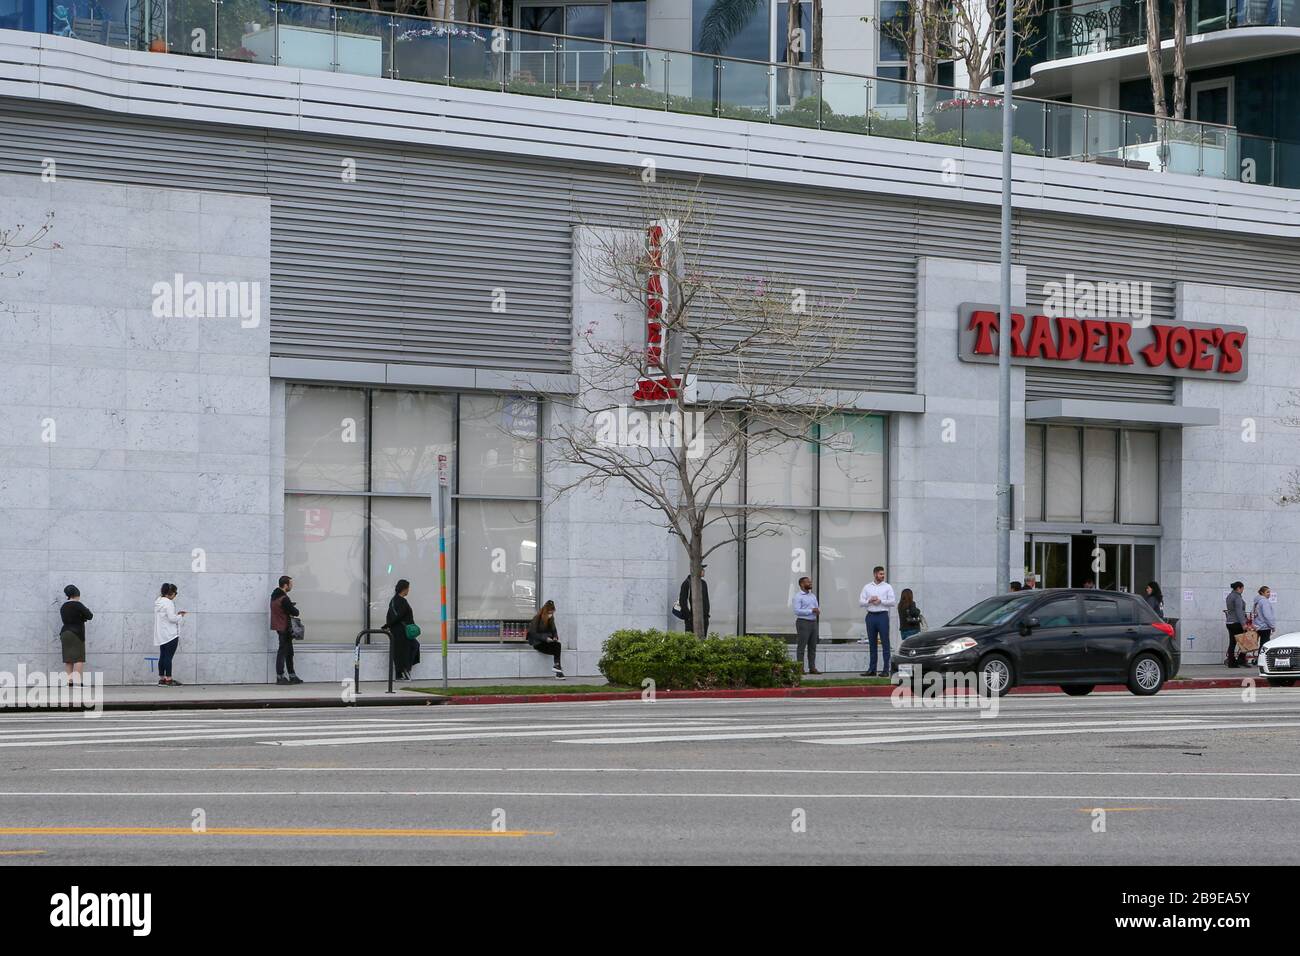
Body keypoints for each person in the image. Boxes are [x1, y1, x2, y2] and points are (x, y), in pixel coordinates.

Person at [858, 565, 896, 677]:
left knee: (885, 642)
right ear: (875, 574)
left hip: (882, 616)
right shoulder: (867, 587)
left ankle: (885, 669)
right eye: (880, 574)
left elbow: (893, 602)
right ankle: (872, 669)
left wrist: (881, 601)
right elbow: (861, 602)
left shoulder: (887, 587)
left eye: (883, 574)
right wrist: (869, 600)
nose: (883, 576)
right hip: (870, 616)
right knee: (872, 643)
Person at [153, 583, 188, 686]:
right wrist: (180, 616)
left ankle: (162, 679)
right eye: (175, 593)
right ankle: (169, 679)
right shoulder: (168, 603)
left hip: (161, 635)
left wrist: (175, 615)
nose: (175, 595)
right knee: (168, 657)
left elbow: (166, 617)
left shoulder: (158, 601)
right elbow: (172, 619)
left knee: (163, 656)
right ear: (171, 593)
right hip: (170, 635)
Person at [270, 575, 302, 685]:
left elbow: (282, 609)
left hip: (280, 627)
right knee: (283, 652)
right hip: (284, 627)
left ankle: (292, 676)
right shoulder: (284, 598)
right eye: (290, 584)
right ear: (285, 585)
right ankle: (280, 677)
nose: (291, 586)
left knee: (289, 653)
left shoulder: (275, 596)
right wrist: (294, 608)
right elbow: (295, 612)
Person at [58, 585, 92, 685]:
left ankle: (70, 682)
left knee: (68, 659)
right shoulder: (78, 605)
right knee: (78, 658)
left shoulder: (63, 606)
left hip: (64, 633)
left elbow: (68, 619)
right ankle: (78, 682)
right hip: (76, 633)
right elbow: (90, 616)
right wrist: (83, 617)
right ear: (77, 594)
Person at [385, 579, 418, 681]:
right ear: (404, 589)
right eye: (408, 588)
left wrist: (388, 625)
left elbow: (390, 615)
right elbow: (399, 616)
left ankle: (401, 673)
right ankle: (405, 670)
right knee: (410, 648)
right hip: (402, 631)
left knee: (400, 651)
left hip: (397, 631)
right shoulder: (402, 601)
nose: (408, 590)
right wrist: (387, 625)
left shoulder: (393, 600)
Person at [526, 600, 565, 679]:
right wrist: (545, 638)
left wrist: (555, 637)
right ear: (546, 611)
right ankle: (558, 670)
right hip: (538, 643)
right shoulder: (537, 618)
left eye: (552, 612)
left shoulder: (550, 619)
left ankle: (557, 668)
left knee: (558, 645)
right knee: (556, 649)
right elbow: (533, 633)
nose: (551, 614)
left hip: (547, 642)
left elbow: (554, 630)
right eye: (550, 612)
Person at [792, 576, 820, 675]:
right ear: (802, 584)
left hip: (813, 622)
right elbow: (797, 611)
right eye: (808, 582)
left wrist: (817, 611)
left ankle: (812, 667)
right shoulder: (798, 596)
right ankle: (800, 668)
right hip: (803, 622)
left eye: (810, 582)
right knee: (802, 646)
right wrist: (811, 610)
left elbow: (816, 606)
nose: (810, 583)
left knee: (812, 647)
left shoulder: (812, 595)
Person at [679, 566, 710, 636]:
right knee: (691, 641)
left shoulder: (703, 583)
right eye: (702, 569)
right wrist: (689, 617)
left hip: (704, 619)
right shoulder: (687, 583)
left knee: (702, 640)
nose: (704, 571)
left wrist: (706, 616)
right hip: (691, 619)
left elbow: (706, 600)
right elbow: (683, 601)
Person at [1225, 581, 1247, 668]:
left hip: (1229, 622)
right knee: (1244, 642)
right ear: (1239, 588)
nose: (1243, 590)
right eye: (1242, 588)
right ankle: (1241, 659)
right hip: (1237, 622)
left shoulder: (1229, 596)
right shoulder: (1237, 597)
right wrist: (1243, 624)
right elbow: (1239, 611)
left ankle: (1231, 661)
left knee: (1232, 643)